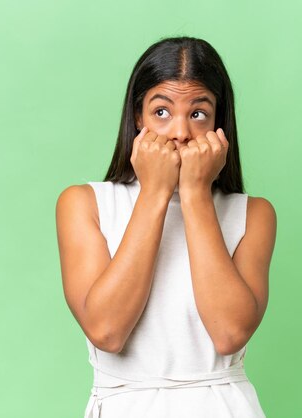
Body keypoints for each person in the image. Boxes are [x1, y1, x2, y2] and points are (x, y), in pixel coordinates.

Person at [56, 36, 277, 418]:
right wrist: (155, 193)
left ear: (218, 124)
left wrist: (194, 193)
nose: (179, 132)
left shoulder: (252, 214)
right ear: (137, 117)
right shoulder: (84, 204)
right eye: (161, 111)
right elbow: (107, 331)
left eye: (197, 113)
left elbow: (229, 333)